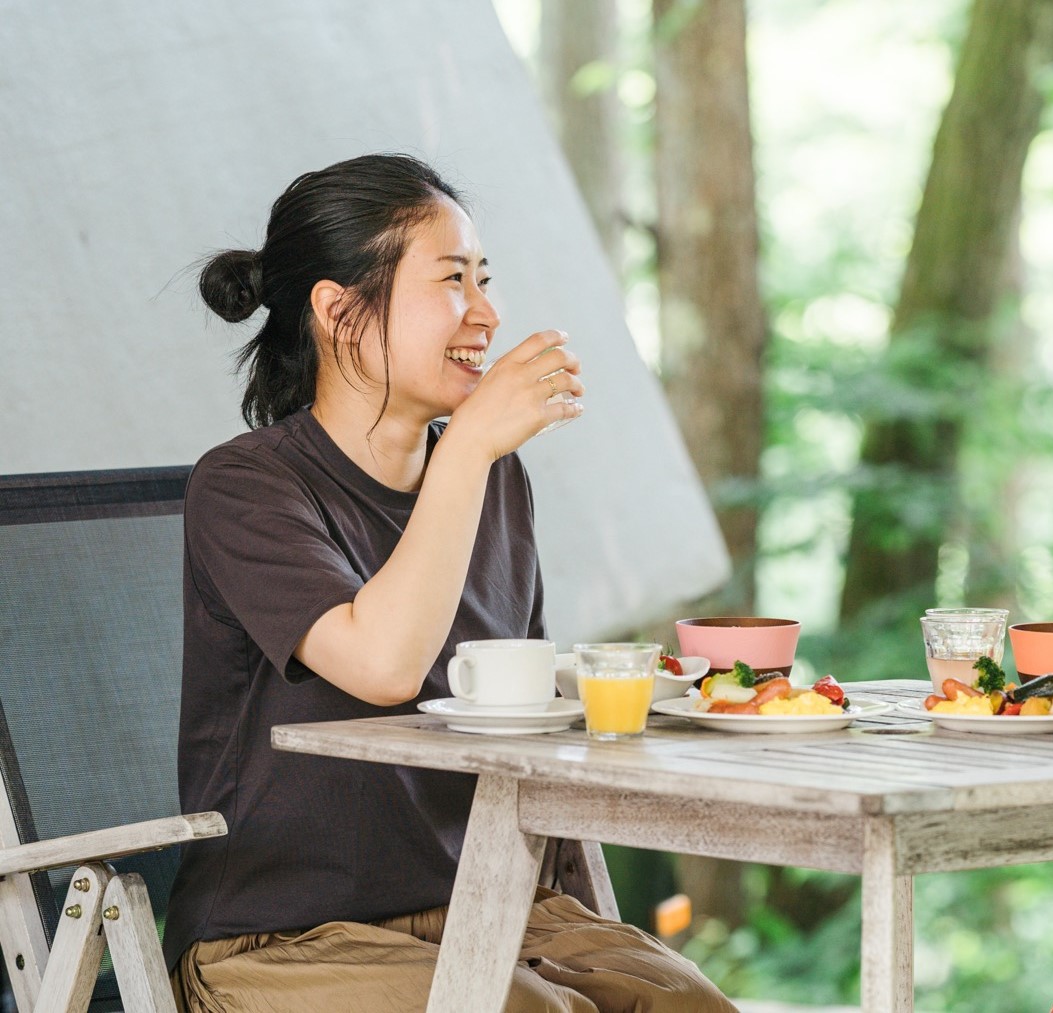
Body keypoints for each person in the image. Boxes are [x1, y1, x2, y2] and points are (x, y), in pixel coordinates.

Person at [166, 153, 735, 1013]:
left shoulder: (495, 482)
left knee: (689, 1003)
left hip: (489, 903)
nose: (487, 313)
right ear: (335, 310)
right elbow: (385, 666)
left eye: (485, 280)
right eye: (453, 281)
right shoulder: (247, 487)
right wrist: (466, 449)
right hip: (283, 939)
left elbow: (516, 698)